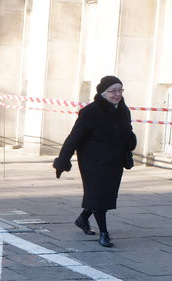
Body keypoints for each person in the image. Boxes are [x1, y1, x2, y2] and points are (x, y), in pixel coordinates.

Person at [53, 75, 136, 247]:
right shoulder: (90, 112)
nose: (117, 94)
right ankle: (104, 233)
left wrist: (130, 142)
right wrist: (63, 160)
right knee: (99, 196)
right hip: (93, 162)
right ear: (103, 93)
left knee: (104, 195)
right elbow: (74, 137)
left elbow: (127, 132)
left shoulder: (123, 110)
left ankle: (83, 219)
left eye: (120, 90)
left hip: (114, 161)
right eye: (113, 91)